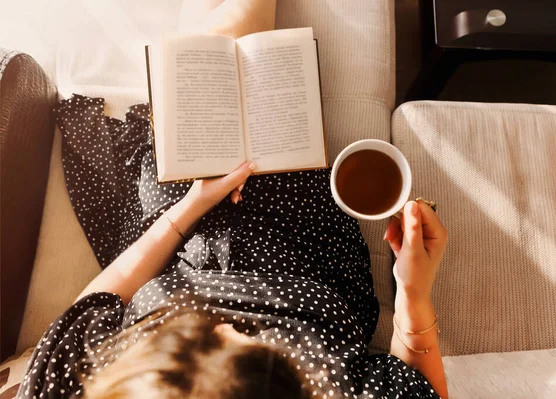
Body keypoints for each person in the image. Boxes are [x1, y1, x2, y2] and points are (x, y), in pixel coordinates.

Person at [18, 119, 448, 397]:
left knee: (199, 93)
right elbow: (419, 391)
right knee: (275, 104)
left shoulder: (68, 388)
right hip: (307, 250)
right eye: (231, 341)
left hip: (177, 241)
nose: (222, 322)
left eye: (187, 338)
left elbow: (92, 307)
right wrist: (413, 294)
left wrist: (189, 208)